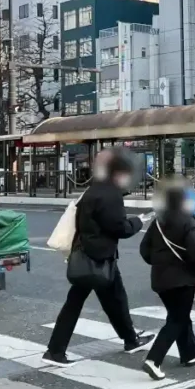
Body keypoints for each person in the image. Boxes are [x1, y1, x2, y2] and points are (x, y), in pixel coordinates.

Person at [43, 148, 153, 367]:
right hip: (97, 259)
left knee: (114, 300)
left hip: (91, 255)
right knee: (85, 303)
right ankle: (55, 351)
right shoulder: (109, 195)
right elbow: (119, 228)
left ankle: (130, 339)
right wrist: (138, 221)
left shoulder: (94, 191)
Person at [139, 182, 195, 380]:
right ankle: (153, 359)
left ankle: (190, 353)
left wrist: (160, 263)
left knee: (179, 316)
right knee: (177, 320)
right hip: (182, 280)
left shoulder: (158, 221)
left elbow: (144, 250)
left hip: (161, 280)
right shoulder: (186, 220)